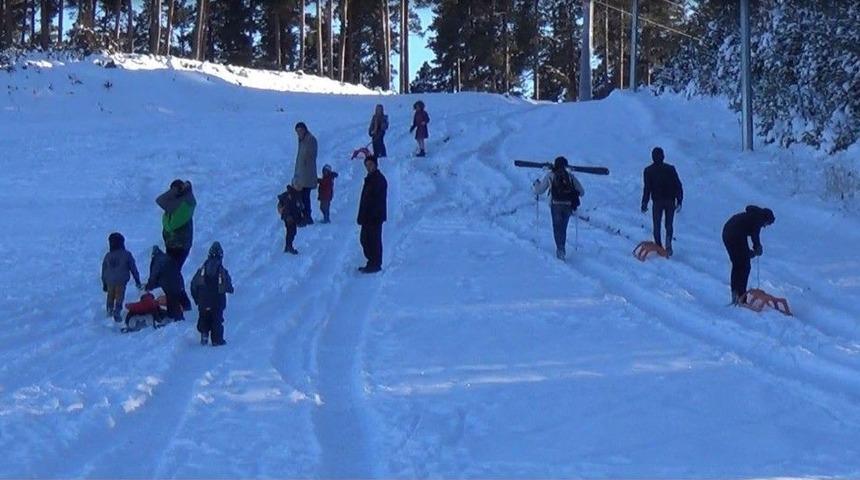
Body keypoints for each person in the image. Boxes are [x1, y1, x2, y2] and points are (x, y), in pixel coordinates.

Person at [533, 156, 585, 260]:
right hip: (568, 205)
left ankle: (560, 250)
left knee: (557, 228)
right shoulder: (570, 176)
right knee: (563, 228)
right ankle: (562, 249)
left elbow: (540, 191)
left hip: (555, 204)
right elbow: (582, 192)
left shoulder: (551, 175)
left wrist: (536, 184)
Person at [722, 205, 776, 305]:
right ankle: (742, 297)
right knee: (745, 266)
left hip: (727, 233)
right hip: (735, 235)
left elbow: (751, 238)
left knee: (737, 264)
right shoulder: (757, 218)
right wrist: (757, 248)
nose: (764, 226)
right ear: (766, 218)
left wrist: (751, 252)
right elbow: (755, 235)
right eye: (767, 224)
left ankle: (735, 293)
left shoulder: (751, 216)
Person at [641, 147, 684, 257]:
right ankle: (668, 247)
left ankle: (659, 247)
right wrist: (679, 200)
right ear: (663, 156)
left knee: (657, 224)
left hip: (658, 201)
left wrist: (644, 203)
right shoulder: (670, 169)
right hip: (670, 201)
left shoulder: (648, 170)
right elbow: (678, 185)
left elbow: (647, 188)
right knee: (668, 225)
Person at [191, 242, 234, 346]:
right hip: (217, 302)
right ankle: (217, 340)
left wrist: (197, 299)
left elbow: (193, 285)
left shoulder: (202, 270)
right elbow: (229, 287)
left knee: (203, 317)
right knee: (217, 321)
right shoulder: (222, 271)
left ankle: (204, 335)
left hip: (203, 301)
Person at [156, 179, 196, 271]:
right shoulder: (177, 203)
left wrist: (183, 189)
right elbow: (160, 200)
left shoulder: (186, 205)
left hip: (179, 246)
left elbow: (170, 226)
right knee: (171, 272)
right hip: (173, 245)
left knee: (172, 272)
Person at [101, 232, 142, 321]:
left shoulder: (107, 256)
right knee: (119, 296)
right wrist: (137, 280)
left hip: (109, 280)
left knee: (110, 296)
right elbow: (133, 268)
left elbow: (104, 270)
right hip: (121, 280)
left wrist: (104, 283)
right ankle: (117, 311)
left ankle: (109, 310)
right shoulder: (126, 254)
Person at [357, 155, 387, 273]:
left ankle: (375, 263)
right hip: (367, 216)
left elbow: (376, 199)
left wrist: (374, 214)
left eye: (370, 165)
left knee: (373, 240)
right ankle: (371, 262)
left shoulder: (378, 179)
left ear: (375, 165)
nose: (368, 167)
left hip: (374, 216)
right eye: (367, 165)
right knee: (365, 239)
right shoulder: (370, 178)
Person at [145, 245, 185, 321]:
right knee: (172, 299)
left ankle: (177, 318)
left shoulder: (157, 260)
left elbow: (154, 274)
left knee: (172, 300)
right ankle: (172, 316)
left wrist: (149, 286)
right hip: (178, 281)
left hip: (169, 284)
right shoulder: (168, 257)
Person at [293, 122, 318, 225]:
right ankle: (304, 215)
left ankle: (307, 216)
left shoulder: (310, 140)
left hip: (307, 174)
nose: (299, 133)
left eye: (300, 130)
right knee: (302, 196)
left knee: (305, 196)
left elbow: (310, 156)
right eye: (297, 131)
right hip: (302, 174)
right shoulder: (302, 140)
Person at [277, 182, 306, 254]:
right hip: (289, 218)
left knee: (292, 232)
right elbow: (286, 208)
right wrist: (288, 217)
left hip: (294, 217)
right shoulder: (289, 195)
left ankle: (288, 246)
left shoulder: (297, 194)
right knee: (291, 232)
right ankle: (289, 246)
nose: (300, 187)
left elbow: (299, 205)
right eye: (298, 185)